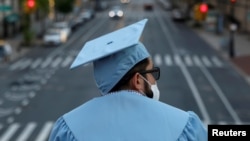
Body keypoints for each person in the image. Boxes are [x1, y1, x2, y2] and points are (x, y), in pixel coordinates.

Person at [48, 19, 207, 141]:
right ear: (137, 80)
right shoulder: (184, 125)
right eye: (152, 73)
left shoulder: (68, 128)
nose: (154, 81)